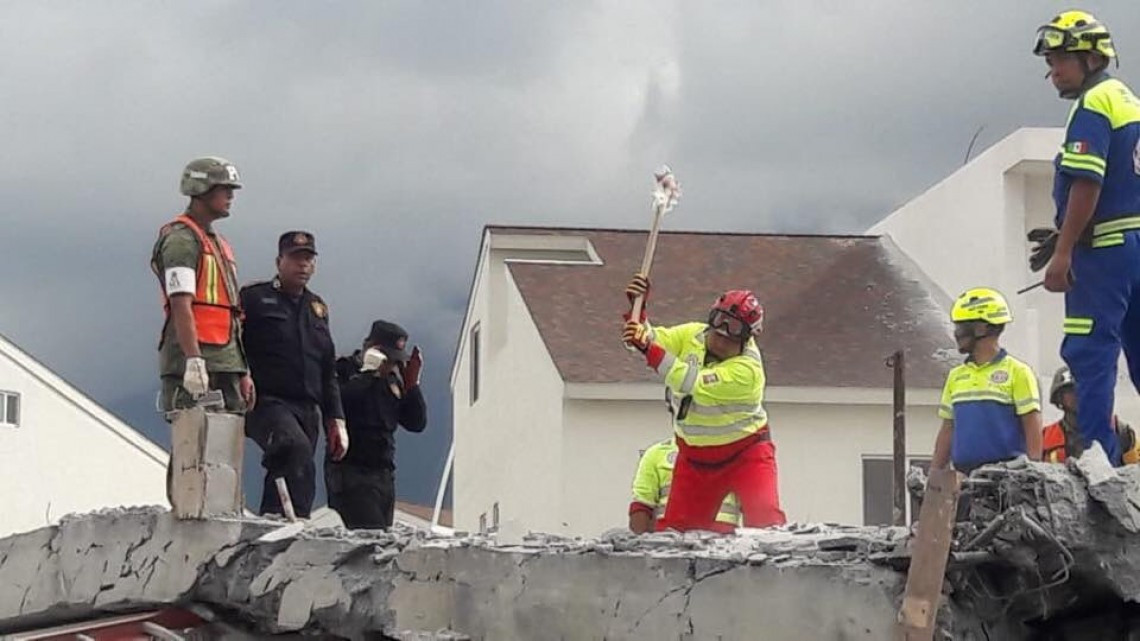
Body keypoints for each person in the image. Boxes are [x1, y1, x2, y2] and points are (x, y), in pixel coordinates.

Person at [1033, 11, 1140, 465]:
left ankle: (1098, 465)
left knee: (1090, 354)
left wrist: (1064, 250)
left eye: (1060, 59)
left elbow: (1088, 182)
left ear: (1092, 57)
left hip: (1103, 257)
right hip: (1133, 244)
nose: (1052, 70)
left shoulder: (1093, 105)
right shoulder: (1128, 100)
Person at [622, 274, 786, 531]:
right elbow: (650, 339)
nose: (719, 341)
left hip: (745, 454)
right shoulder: (692, 335)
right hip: (694, 457)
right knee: (677, 531)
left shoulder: (748, 371)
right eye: (716, 331)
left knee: (765, 522)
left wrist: (646, 348)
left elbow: (689, 382)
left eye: (729, 339)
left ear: (747, 339)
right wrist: (637, 314)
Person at [240, 231, 347, 518]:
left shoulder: (318, 309)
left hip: (308, 406)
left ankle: (296, 523)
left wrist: (335, 419)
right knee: (291, 447)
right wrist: (240, 374)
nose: (303, 265)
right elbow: (232, 342)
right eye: (296, 258)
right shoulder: (254, 298)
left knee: (302, 468)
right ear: (279, 261)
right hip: (266, 400)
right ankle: (275, 519)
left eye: (309, 259)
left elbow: (327, 367)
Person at [151, 156, 254, 416]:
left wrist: (242, 370)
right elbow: (180, 304)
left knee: (225, 446)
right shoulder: (181, 240)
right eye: (224, 189)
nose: (231, 196)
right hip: (194, 361)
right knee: (192, 445)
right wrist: (193, 359)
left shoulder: (218, 243)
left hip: (225, 362)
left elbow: (230, 314)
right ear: (202, 190)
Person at [326, 320, 426, 529]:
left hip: (383, 473)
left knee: (381, 541)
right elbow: (340, 403)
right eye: (387, 358)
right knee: (370, 539)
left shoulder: (391, 381)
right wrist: (368, 374)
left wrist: (412, 386)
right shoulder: (344, 370)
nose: (391, 365)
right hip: (351, 471)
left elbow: (416, 423)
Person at [931, 288, 1043, 473]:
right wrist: (934, 475)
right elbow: (948, 429)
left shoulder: (1018, 372)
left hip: (1007, 476)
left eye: (961, 326)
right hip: (964, 478)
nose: (956, 333)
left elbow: (1031, 422)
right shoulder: (956, 376)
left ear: (982, 328)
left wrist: (1035, 469)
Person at [629, 436, 742, 534]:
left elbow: (754, 508)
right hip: (672, 547)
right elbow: (642, 507)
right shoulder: (657, 454)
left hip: (723, 548)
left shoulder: (740, 454)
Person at [1042, 366, 1140, 464]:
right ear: (1059, 398)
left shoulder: (1121, 432)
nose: (1079, 394)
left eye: (1084, 388)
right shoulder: (1045, 438)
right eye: (1071, 390)